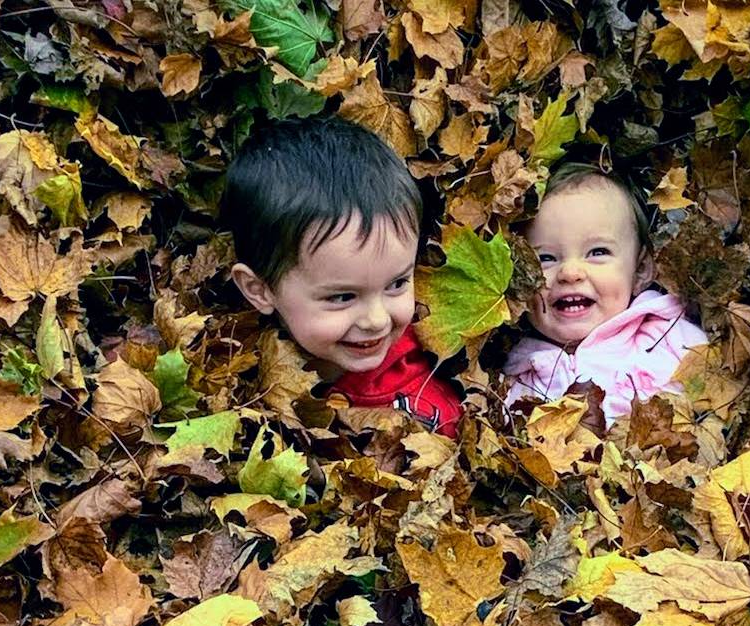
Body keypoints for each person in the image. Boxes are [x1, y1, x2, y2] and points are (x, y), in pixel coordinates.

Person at [222, 117, 462, 438]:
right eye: (342, 296)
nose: (377, 320)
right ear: (260, 289)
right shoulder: (229, 378)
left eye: (396, 283)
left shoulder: (426, 414)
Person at [503, 163, 708, 425]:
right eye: (545, 258)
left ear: (641, 269)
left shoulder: (671, 339)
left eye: (597, 252)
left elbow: (724, 401)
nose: (570, 272)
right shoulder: (520, 376)